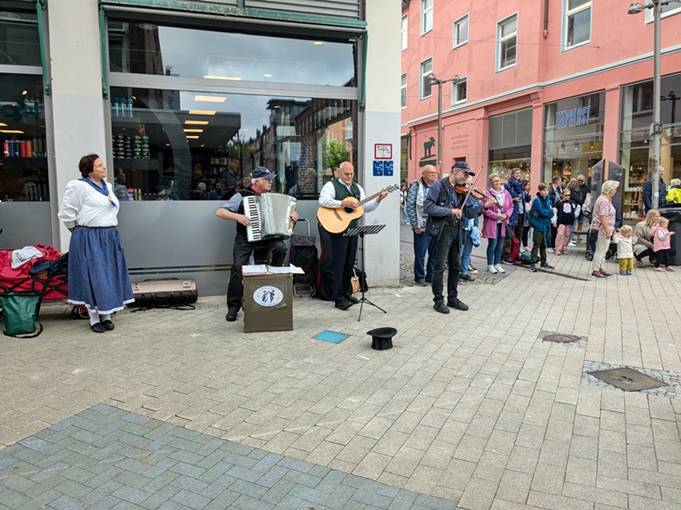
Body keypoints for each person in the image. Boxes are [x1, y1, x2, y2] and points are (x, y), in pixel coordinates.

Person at [58, 154, 134, 333]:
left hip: (109, 236)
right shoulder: (79, 186)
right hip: (89, 237)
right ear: (89, 170)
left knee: (109, 276)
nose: (104, 167)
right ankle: (93, 318)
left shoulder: (107, 186)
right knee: (94, 277)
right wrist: (80, 234)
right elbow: (67, 213)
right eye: (99, 165)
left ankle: (106, 315)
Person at [216, 166, 298, 321]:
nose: (270, 182)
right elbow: (220, 212)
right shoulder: (241, 195)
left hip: (267, 238)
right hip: (245, 238)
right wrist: (238, 217)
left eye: (271, 179)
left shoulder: (272, 197)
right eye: (267, 179)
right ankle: (233, 306)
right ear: (257, 181)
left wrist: (292, 218)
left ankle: (271, 279)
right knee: (238, 267)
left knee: (281, 248)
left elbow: (285, 223)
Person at [318, 161, 388, 310]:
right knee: (339, 264)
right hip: (338, 229)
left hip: (353, 230)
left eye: (351, 173)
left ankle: (346, 293)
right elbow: (322, 200)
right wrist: (343, 204)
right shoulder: (331, 186)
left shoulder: (358, 188)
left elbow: (365, 207)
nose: (349, 176)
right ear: (339, 173)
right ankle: (338, 298)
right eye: (346, 174)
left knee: (349, 263)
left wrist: (378, 200)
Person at [425, 170, 487, 314]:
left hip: (457, 230)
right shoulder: (439, 186)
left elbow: (469, 213)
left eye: (467, 177)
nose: (466, 179)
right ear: (455, 172)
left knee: (455, 266)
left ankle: (452, 298)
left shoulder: (462, 191)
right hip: (442, 230)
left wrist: (484, 206)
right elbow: (428, 207)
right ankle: (438, 301)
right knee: (439, 267)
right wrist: (450, 211)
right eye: (464, 175)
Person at [406, 165, 439, 285]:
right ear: (424, 174)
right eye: (431, 173)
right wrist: (415, 226)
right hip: (421, 225)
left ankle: (430, 276)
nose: (434, 175)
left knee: (434, 254)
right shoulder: (416, 186)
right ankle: (419, 277)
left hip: (435, 225)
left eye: (435, 173)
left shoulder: (437, 186)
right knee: (420, 254)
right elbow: (410, 207)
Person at [482, 174, 513, 273]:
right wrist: (497, 216)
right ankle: (490, 265)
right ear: (491, 182)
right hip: (492, 222)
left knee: (500, 245)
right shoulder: (487, 193)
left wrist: (506, 215)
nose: (497, 182)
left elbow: (511, 206)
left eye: (498, 180)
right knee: (493, 244)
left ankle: (497, 264)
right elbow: (485, 209)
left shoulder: (506, 193)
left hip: (503, 222)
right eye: (495, 181)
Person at [590, 180, 619, 278]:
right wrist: (608, 230)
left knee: (603, 249)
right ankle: (596, 269)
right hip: (602, 228)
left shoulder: (605, 199)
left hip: (603, 227)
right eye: (614, 188)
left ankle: (601, 268)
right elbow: (603, 216)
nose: (615, 190)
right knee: (601, 249)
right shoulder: (604, 200)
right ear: (610, 189)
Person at [528, 183, 555, 272]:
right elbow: (541, 211)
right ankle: (532, 263)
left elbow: (552, 213)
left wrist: (547, 213)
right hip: (538, 226)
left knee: (544, 245)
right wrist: (547, 213)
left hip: (546, 225)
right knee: (536, 244)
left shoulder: (548, 200)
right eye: (543, 190)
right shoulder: (537, 201)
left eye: (546, 190)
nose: (545, 192)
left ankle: (544, 262)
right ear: (539, 191)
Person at [554, 189, 580, 255]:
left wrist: (574, 215)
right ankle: (558, 248)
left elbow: (578, 207)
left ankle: (565, 248)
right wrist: (554, 221)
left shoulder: (572, 203)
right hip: (561, 221)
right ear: (562, 195)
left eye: (569, 195)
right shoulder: (559, 203)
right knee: (560, 234)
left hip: (569, 222)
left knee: (567, 235)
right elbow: (554, 212)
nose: (567, 197)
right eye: (566, 195)